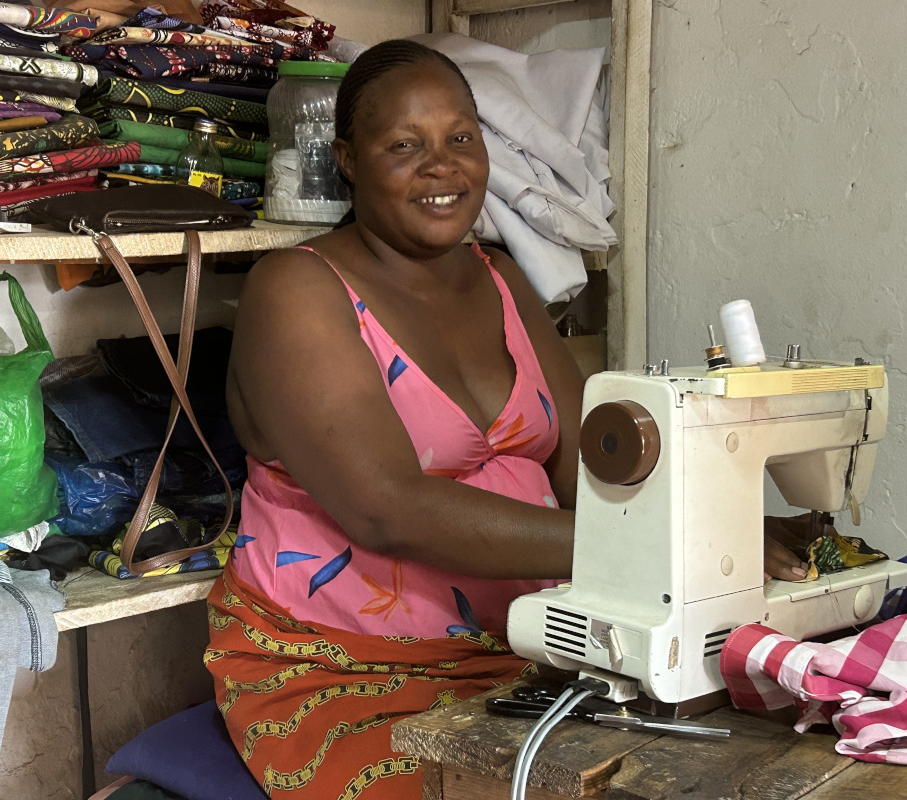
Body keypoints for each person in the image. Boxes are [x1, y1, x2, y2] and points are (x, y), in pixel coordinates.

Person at [205, 39, 809, 799]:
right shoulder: (296, 290)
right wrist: (664, 547)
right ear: (349, 159)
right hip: (343, 658)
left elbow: (586, 466)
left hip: (532, 644)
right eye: (404, 145)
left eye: (461, 138)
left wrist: (721, 534)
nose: (442, 165)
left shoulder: (501, 279)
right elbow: (387, 508)